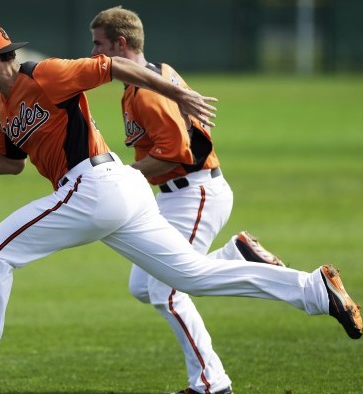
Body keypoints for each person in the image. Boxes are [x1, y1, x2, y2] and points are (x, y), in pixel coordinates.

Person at [0, 23, 361, 394]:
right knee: (188, 277)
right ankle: (314, 290)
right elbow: (9, 164)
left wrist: (177, 94)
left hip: (94, 185)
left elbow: (116, 66)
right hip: (117, 191)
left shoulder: (45, 74)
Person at [89, 7, 286, 394]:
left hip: (195, 193)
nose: (94, 52)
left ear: (121, 44)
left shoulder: (146, 93)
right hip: (181, 194)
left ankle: (211, 384)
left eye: (99, 44)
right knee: (142, 286)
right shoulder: (156, 75)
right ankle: (237, 255)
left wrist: (121, 174)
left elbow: (175, 153)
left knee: (167, 290)